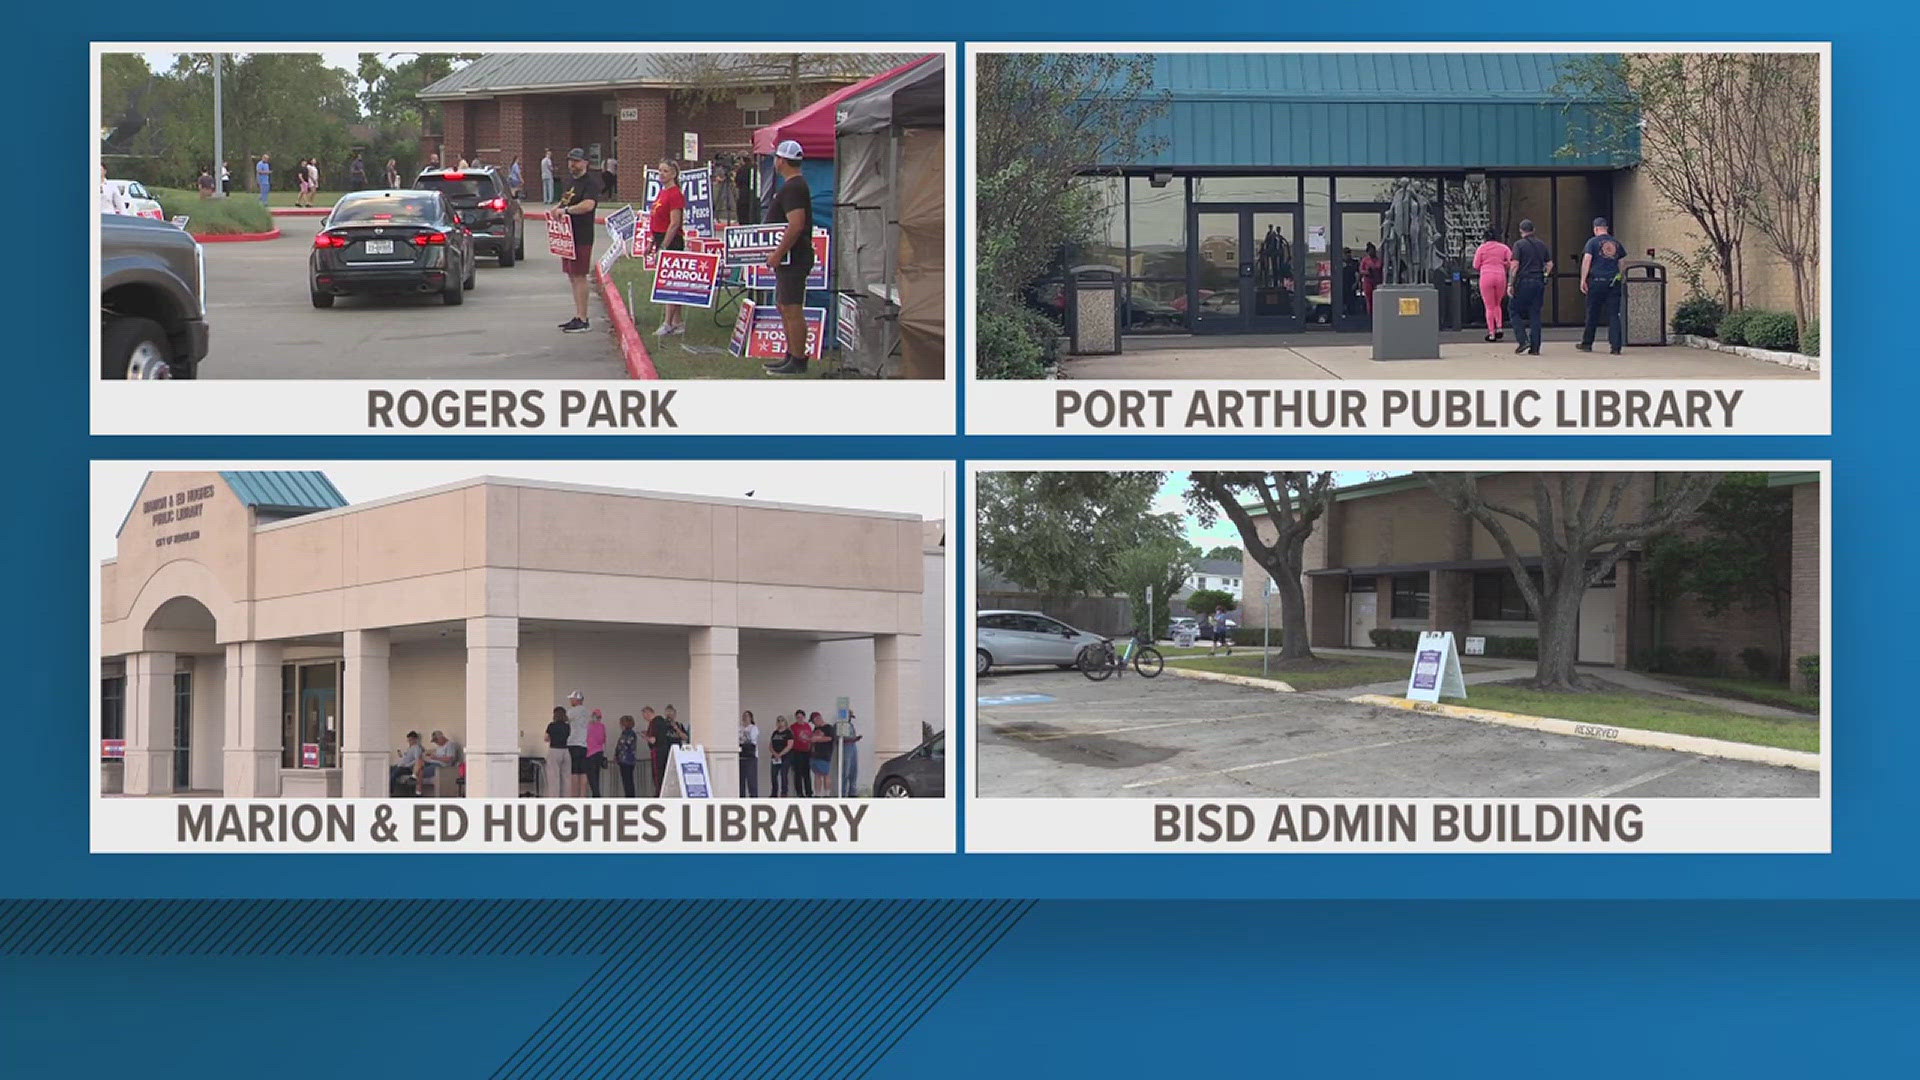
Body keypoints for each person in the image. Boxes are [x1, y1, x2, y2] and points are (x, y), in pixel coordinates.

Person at [761, 140, 815, 376]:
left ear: (781, 160)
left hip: (793, 257)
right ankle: (791, 354)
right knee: (783, 306)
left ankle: (799, 359)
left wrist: (777, 253)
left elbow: (796, 225)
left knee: (792, 308)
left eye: (776, 158)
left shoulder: (793, 188)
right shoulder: (792, 185)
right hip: (788, 259)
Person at [554, 148, 602, 334]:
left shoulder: (590, 183)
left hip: (581, 235)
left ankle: (583, 319)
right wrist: (556, 209)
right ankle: (578, 315)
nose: (572, 164)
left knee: (580, 275)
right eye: (570, 161)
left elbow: (588, 205)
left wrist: (566, 211)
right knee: (572, 275)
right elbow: (565, 202)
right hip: (567, 236)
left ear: (585, 163)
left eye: (576, 161)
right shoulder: (570, 182)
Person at [649, 159, 689, 337]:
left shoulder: (675, 194)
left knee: (670, 283)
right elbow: (656, 219)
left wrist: (664, 246)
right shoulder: (662, 193)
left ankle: (667, 323)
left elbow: (674, 223)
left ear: (673, 173)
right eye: (659, 171)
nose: (661, 174)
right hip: (659, 237)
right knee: (670, 282)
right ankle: (677, 321)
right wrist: (652, 243)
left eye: (665, 171)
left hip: (671, 241)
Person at [1577, 217, 1628, 355]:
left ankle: (1587, 343)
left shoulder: (1592, 242)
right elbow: (1622, 262)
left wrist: (1583, 280)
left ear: (1596, 228)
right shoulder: (1616, 243)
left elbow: (1587, 260)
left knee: (1592, 312)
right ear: (1606, 228)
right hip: (1613, 282)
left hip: (1597, 281)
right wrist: (1620, 276)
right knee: (1613, 314)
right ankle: (1616, 346)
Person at [1507, 219, 1553, 356]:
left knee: (1513, 310)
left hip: (1524, 281)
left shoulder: (1518, 245)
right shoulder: (1541, 244)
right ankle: (1535, 347)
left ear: (1521, 231)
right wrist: (1544, 275)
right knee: (1535, 314)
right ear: (1533, 230)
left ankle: (1522, 340)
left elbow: (1514, 265)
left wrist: (1510, 283)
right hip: (1538, 281)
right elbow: (1550, 264)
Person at [1472, 226, 1513, 343]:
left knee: (1489, 306)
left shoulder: (1482, 248)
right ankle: (1499, 327)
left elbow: (1475, 265)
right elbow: (1511, 261)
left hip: (1486, 276)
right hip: (1500, 276)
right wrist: (1503, 264)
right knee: (1497, 304)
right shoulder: (1503, 248)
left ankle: (1491, 333)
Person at [646, 704, 686, 795]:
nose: (670, 716)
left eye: (671, 714)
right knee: (663, 774)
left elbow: (685, 737)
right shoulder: (662, 725)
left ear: (675, 715)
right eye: (668, 714)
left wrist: (676, 728)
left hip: (677, 753)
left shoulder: (679, 725)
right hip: (665, 753)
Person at [565, 691, 592, 797]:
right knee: (583, 771)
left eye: (572, 699)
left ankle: (574, 796)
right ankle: (583, 795)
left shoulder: (572, 711)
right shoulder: (587, 712)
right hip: (584, 744)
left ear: (577, 700)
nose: (570, 701)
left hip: (573, 743)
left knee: (574, 772)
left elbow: (566, 721)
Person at [419, 730, 462, 795]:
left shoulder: (450, 745)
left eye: (436, 740)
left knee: (420, 772)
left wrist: (436, 758)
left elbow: (449, 759)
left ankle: (417, 787)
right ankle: (414, 776)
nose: (436, 743)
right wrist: (430, 756)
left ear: (441, 737)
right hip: (433, 762)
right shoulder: (439, 747)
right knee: (419, 762)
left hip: (441, 766)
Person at [543, 706, 571, 798]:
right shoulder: (567, 726)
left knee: (553, 777)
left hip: (554, 750)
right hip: (565, 751)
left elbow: (546, 739)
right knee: (566, 777)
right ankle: (566, 798)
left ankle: (554, 798)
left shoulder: (551, 725)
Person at [788, 710, 815, 797]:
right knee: (798, 773)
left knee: (807, 773)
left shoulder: (808, 726)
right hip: (797, 752)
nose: (799, 719)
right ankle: (799, 793)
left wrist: (811, 750)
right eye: (798, 717)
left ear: (804, 717)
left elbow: (811, 738)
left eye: (801, 717)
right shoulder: (792, 727)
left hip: (807, 752)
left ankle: (809, 792)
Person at [838, 711, 865, 798]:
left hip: (853, 747)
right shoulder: (841, 725)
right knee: (845, 771)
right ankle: (843, 792)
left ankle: (852, 792)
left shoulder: (851, 725)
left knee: (854, 770)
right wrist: (853, 739)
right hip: (846, 748)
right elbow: (840, 739)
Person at [809, 711, 836, 797]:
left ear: (818, 719)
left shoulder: (828, 728)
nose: (814, 723)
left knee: (825, 774)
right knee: (817, 774)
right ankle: (817, 794)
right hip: (814, 754)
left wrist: (817, 739)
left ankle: (827, 794)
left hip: (824, 754)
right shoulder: (816, 729)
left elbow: (830, 738)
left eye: (814, 721)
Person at [584, 709, 608, 797]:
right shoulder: (602, 726)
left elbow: (584, 739)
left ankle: (596, 795)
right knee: (596, 776)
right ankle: (596, 795)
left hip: (590, 754)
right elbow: (603, 740)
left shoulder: (588, 726)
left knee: (591, 777)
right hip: (599, 753)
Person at [615, 715, 639, 797]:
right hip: (623, 760)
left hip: (627, 760)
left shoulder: (630, 734)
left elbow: (625, 744)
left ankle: (630, 797)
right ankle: (628, 795)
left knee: (628, 780)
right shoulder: (624, 733)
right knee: (626, 781)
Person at [738, 710, 760, 797]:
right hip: (741, 756)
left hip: (751, 756)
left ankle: (753, 798)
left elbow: (752, 740)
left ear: (751, 718)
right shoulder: (739, 728)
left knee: (751, 780)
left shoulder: (753, 728)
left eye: (747, 716)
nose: (744, 718)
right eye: (743, 716)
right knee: (741, 781)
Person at [769, 716, 792, 797]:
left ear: (785, 722)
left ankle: (784, 793)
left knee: (783, 774)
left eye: (782, 720)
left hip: (785, 757)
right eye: (778, 721)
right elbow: (770, 745)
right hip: (775, 757)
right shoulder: (775, 733)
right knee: (773, 775)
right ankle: (774, 793)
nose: (780, 722)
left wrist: (780, 754)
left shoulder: (788, 733)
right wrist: (775, 753)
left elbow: (789, 745)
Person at [732, 155, 756, 225]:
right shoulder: (754, 167)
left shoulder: (741, 169)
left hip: (743, 193)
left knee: (743, 210)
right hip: (753, 192)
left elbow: (737, 181)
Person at [1359, 242, 1383, 316]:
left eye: (1373, 250)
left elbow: (1381, 269)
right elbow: (1361, 270)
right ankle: (1369, 314)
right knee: (1369, 299)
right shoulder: (1365, 260)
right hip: (1368, 282)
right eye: (1370, 250)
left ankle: (1377, 314)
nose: (1372, 252)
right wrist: (1367, 272)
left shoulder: (1379, 260)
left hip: (1377, 282)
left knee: (1376, 299)